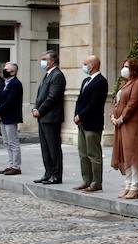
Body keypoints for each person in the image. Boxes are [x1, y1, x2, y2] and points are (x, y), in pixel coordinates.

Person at [111, 58, 138, 200]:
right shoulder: (124, 83)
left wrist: (121, 118)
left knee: (133, 154)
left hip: (132, 124)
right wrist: (113, 116)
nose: (124, 69)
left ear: (133, 69)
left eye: (127, 67)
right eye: (123, 66)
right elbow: (116, 102)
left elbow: (132, 104)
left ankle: (135, 186)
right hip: (121, 124)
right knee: (124, 154)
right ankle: (127, 185)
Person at [73, 54, 109, 192]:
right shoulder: (86, 80)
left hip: (93, 123)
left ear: (92, 65)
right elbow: (80, 100)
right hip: (82, 123)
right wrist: (76, 115)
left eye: (85, 64)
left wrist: (81, 115)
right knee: (83, 153)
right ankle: (86, 180)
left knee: (93, 154)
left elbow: (94, 104)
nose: (84, 66)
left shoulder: (101, 81)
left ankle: (96, 182)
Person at [32, 51, 66, 185]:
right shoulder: (48, 75)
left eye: (45, 59)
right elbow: (40, 95)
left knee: (53, 148)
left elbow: (53, 97)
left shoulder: (57, 75)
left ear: (52, 61)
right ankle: (48, 173)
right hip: (43, 117)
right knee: (45, 148)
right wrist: (35, 108)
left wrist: (40, 110)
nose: (42, 62)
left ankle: (56, 175)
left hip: (51, 117)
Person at [0, 61, 23, 176]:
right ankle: (10, 164)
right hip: (4, 116)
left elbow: (10, 101)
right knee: (6, 142)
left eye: (6, 69)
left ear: (13, 72)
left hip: (11, 116)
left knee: (13, 142)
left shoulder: (15, 84)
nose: (4, 70)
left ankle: (16, 167)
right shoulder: (5, 83)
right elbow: (1, 99)